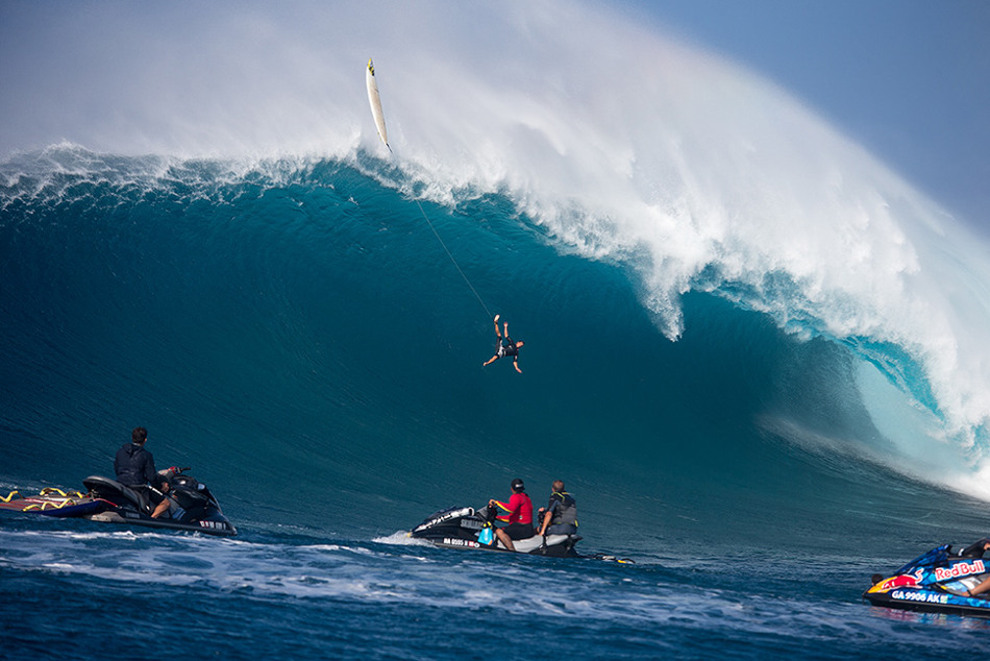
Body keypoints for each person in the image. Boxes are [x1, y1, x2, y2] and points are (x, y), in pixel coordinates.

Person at [114, 427, 168, 513]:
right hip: (138, 488)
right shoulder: (146, 455)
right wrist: (161, 487)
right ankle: (152, 519)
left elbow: (117, 470)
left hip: (120, 484)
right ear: (145, 440)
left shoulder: (120, 451)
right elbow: (151, 477)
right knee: (166, 503)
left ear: (132, 437)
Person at [488, 478, 534, 551]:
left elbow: (511, 509)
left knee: (499, 531)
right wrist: (496, 517)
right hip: (528, 529)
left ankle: (511, 551)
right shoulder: (526, 497)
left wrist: (496, 503)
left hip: (522, 529)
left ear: (512, 489)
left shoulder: (516, 497)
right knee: (504, 529)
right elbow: (511, 518)